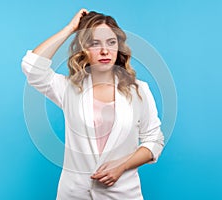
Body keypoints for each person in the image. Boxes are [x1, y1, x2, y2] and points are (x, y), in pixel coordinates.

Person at [21, 8, 164, 200]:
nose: (105, 50)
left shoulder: (138, 90)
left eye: (111, 43)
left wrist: (122, 165)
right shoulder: (68, 89)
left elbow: (154, 140)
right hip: (74, 194)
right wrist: (70, 28)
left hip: (122, 195)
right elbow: (32, 67)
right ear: (83, 49)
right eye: (95, 43)